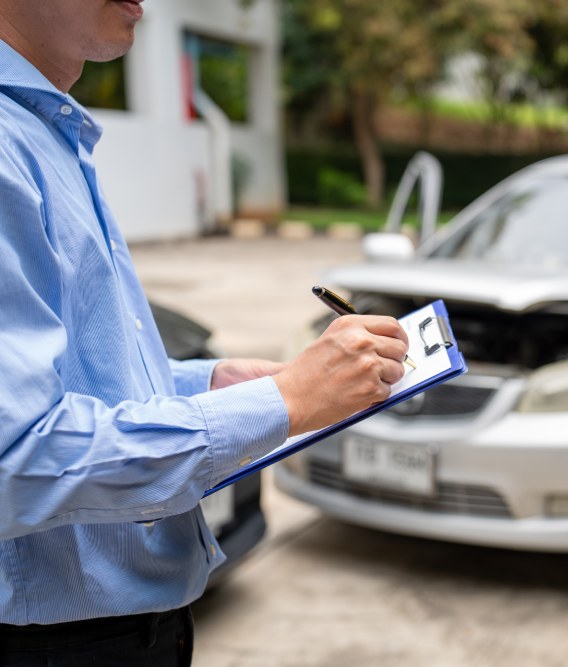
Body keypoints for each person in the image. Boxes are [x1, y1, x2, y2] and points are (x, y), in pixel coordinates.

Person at [0, 1, 408, 664]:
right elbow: (15, 459)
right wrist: (284, 402)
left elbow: (67, 381)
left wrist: (213, 384)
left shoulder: (45, 130)